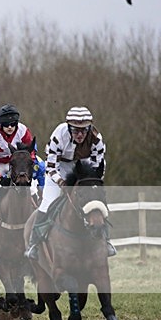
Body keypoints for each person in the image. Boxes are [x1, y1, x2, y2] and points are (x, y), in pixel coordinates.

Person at [25, 106, 116, 260]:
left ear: (89, 128)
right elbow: (50, 166)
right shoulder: (58, 136)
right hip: (59, 168)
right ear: (68, 128)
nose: (80, 134)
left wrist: (90, 182)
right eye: (75, 130)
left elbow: (98, 166)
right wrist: (61, 181)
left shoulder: (97, 140)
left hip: (83, 167)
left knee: (96, 200)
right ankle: (34, 243)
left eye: (84, 130)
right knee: (47, 202)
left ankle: (106, 240)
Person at [0, 104, 37, 231]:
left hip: (16, 164)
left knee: (33, 191)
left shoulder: (24, 131)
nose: (10, 127)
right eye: (6, 124)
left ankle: (37, 222)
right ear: (0, 124)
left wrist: (29, 168)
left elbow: (30, 153)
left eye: (12, 124)